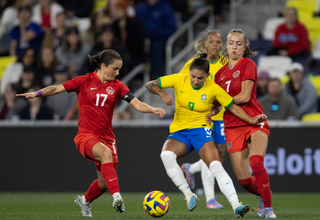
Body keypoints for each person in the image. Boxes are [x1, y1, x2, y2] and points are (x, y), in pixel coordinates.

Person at [17, 49, 166, 217]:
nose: (117, 73)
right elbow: (56, 88)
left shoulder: (117, 86)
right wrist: (36, 93)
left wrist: (153, 109)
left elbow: (137, 104)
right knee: (105, 153)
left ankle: (85, 201)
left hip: (107, 138)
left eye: (119, 69)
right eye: (115, 69)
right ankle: (117, 197)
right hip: (85, 136)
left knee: (103, 183)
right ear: (103, 66)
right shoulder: (84, 81)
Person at [146, 52, 268, 218]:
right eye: (193, 76)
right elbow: (150, 84)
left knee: (216, 166)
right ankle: (189, 195)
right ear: (189, 72)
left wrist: (251, 120)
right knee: (166, 155)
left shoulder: (213, 88)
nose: (195, 81)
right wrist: (162, 93)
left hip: (201, 130)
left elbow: (232, 106)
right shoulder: (178, 79)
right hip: (179, 132)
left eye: (200, 78)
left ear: (207, 76)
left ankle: (236, 205)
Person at [215, 29, 277, 218]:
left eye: (238, 44)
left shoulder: (248, 65)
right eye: (231, 43)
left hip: (253, 119)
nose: (234, 47)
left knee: (256, 161)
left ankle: (268, 208)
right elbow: (217, 104)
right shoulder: (219, 75)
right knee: (244, 181)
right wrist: (211, 110)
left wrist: (223, 101)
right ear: (226, 45)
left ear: (244, 47)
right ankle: (263, 195)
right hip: (233, 125)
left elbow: (244, 96)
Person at [178, 29, 227, 209]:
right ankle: (210, 199)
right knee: (211, 155)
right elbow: (180, 81)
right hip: (202, 116)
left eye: (218, 42)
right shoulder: (196, 63)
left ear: (222, 45)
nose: (215, 45)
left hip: (221, 115)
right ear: (205, 43)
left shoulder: (226, 63)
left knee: (220, 157)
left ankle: (191, 169)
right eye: (212, 41)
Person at [136, 0, 177, 78]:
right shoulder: (141, 8)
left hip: (159, 38)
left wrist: (157, 33)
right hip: (142, 37)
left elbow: (171, 28)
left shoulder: (165, 8)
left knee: (156, 46)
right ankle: (138, 74)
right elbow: (136, 24)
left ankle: (156, 74)